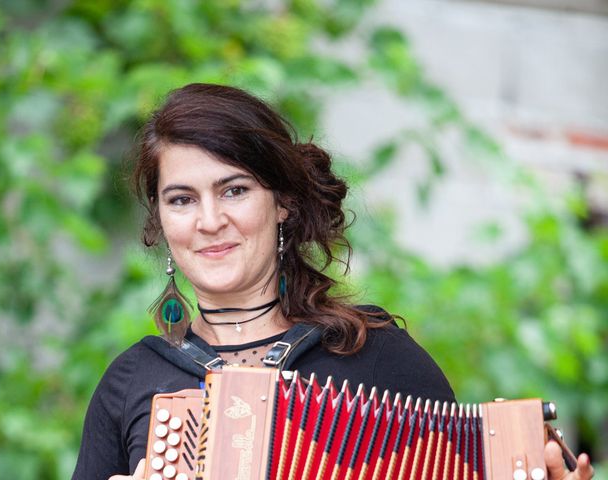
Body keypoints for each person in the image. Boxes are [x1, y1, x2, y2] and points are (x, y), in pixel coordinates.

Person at [71, 83, 593, 480]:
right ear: (161, 221)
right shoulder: (132, 380)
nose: (209, 221)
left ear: (283, 203)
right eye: (181, 199)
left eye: (233, 190)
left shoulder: (374, 354)